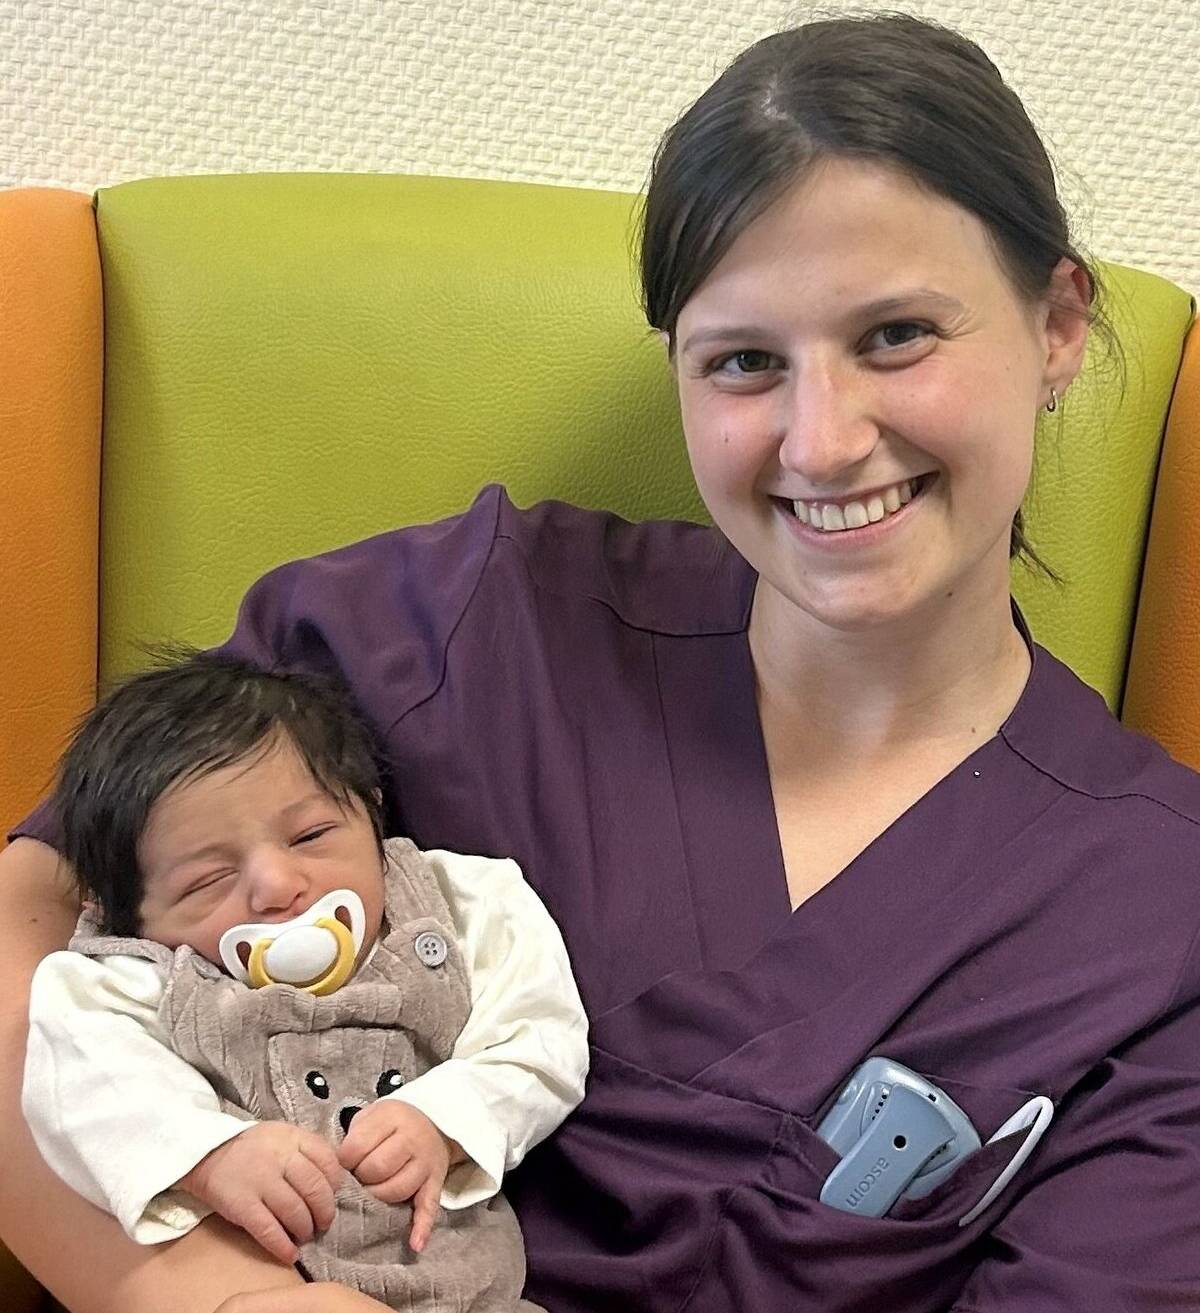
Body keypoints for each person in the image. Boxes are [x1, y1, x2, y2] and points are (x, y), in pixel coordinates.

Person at [4, 11, 1200, 1312]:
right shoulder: (470, 633)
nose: (821, 440)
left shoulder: (1152, 916)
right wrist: (229, 1300)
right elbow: (31, 920)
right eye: (745, 361)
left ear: (1058, 324)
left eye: (898, 335)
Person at [21, 651, 586, 1311]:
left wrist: (450, 1119)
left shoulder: (463, 904)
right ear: (129, 915)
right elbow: (83, 1086)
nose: (278, 886)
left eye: (312, 835)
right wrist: (211, 1155)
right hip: (251, 1288)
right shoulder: (128, 981)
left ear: (372, 812)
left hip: (475, 1295)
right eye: (209, 879)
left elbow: (542, 1034)